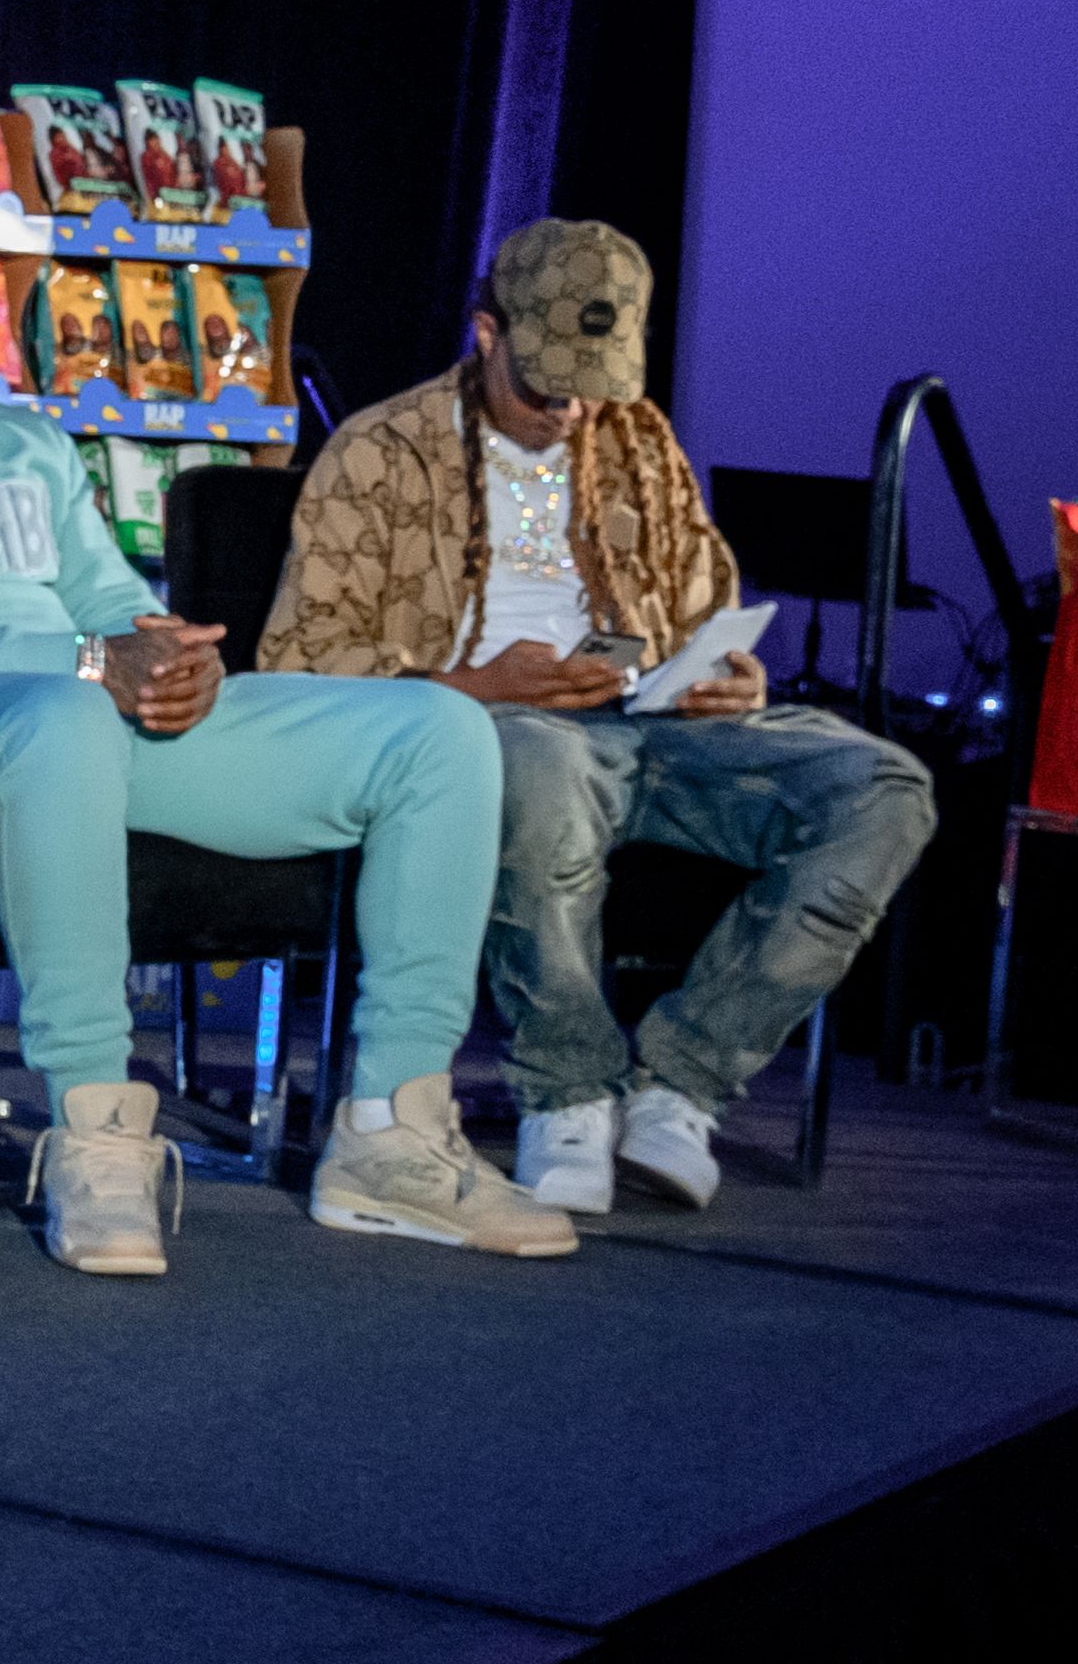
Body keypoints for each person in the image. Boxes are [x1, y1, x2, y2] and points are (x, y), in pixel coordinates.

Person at [0, 171, 562, 1277]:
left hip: (82, 713)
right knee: (63, 717)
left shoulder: (16, 438)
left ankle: (392, 1128)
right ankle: (98, 1132)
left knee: (436, 730)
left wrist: (166, 656)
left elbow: (108, 598)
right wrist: (92, 661)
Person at [260, 221, 934, 1213]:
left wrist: (730, 678)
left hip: (656, 724)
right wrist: (484, 684)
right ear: (486, 333)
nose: (567, 407)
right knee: (534, 761)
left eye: (591, 382)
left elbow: (706, 606)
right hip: (485, 727)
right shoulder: (381, 450)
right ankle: (566, 1088)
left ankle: (682, 1081)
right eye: (543, 383)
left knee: (885, 787)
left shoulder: (638, 438)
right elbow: (299, 667)